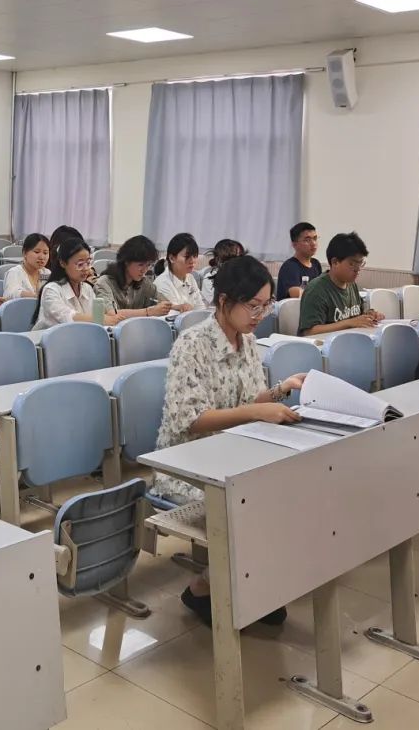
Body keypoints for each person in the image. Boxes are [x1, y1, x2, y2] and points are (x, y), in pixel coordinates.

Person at [149, 256, 305, 628]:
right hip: (187, 466)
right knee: (250, 506)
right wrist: (256, 412)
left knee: (291, 491)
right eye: (253, 305)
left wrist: (280, 391)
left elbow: (250, 401)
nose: (260, 315)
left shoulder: (247, 342)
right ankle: (202, 588)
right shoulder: (192, 344)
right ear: (223, 301)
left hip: (233, 454)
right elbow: (192, 420)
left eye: (266, 305)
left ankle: (251, 580)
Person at [298, 232, 382, 336]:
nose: (358, 269)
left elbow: (357, 318)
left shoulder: (351, 285)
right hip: (324, 345)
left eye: (361, 263)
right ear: (335, 262)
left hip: (348, 342)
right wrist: (349, 323)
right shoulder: (316, 290)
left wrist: (369, 315)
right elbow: (309, 332)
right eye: (352, 264)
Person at [32, 237, 121, 330]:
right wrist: (100, 319)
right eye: (80, 264)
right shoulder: (51, 290)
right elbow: (68, 317)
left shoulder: (87, 288)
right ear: (63, 263)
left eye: (88, 263)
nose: (86, 269)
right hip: (50, 337)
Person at [94, 236, 172, 319]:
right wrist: (148, 312)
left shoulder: (144, 283)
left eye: (148, 265)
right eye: (140, 265)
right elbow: (111, 313)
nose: (144, 270)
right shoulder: (104, 282)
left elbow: (163, 301)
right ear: (126, 261)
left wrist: (175, 307)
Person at [153, 233, 206, 313]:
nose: (192, 261)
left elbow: (200, 308)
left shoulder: (190, 278)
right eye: (187, 257)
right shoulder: (162, 283)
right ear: (172, 258)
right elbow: (173, 315)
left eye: (195, 256)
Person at [277, 222, 323, 300]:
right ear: (294, 245)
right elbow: (297, 294)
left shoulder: (316, 264)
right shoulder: (290, 266)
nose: (313, 243)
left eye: (315, 238)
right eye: (307, 240)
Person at [4, 233, 50, 299]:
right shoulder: (15, 272)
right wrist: (35, 296)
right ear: (25, 253)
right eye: (37, 252)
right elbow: (11, 294)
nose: (42, 257)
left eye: (45, 253)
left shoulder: (47, 273)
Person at [200, 239, 246, 304]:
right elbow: (213, 305)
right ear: (219, 260)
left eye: (240, 257)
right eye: (234, 258)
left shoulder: (245, 276)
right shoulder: (210, 279)